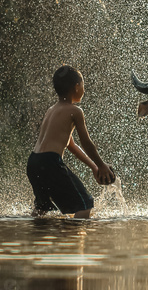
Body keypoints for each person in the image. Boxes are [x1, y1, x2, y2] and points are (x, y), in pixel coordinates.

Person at [27, 65, 116, 218]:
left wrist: (94, 167)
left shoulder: (51, 110)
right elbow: (86, 143)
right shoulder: (75, 111)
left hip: (34, 162)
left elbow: (72, 145)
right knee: (85, 206)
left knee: (42, 209)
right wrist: (101, 165)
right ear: (76, 87)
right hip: (50, 162)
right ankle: (72, 241)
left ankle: (38, 240)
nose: (84, 89)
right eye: (83, 85)